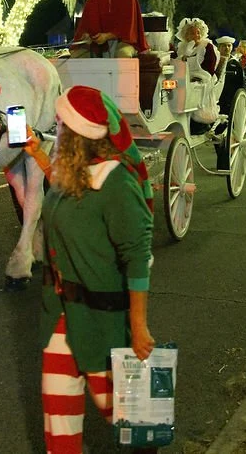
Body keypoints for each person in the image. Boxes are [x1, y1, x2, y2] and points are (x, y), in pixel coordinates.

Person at [40, 85, 155, 454]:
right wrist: (34, 153)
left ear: (75, 136)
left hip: (102, 323)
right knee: (59, 424)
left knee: (131, 418)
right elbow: (69, 197)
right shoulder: (72, 174)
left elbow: (138, 258)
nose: (54, 128)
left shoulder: (117, 183)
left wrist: (138, 328)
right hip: (62, 317)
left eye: (59, 124)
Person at [71, 0, 149, 58]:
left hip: (124, 42)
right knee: (76, 56)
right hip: (97, 45)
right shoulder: (93, 1)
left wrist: (107, 36)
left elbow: (129, 27)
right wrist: (88, 35)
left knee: (123, 54)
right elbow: (85, 27)